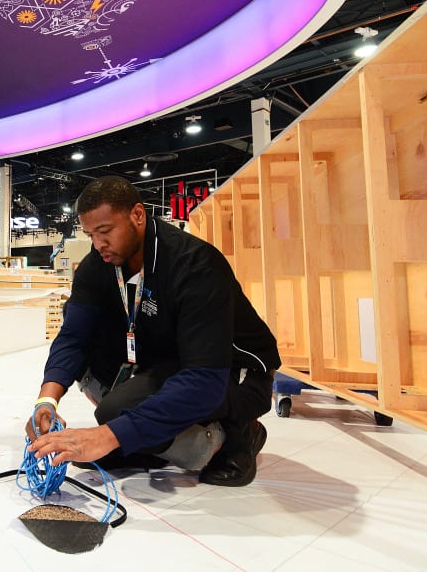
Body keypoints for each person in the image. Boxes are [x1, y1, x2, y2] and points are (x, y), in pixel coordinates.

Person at [26, 176, 279, 487]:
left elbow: (204, 379)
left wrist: (108, 436)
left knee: (118, 412)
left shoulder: (195, 265)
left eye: (105, 232)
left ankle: (238, 434)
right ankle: (140, 444)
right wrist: (46, 402)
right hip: (168, 359)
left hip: (234, 372)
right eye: (91, 234)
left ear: (137, 215)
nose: (98, 244)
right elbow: (73, 337)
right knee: (83, 329)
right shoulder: (99, 265)